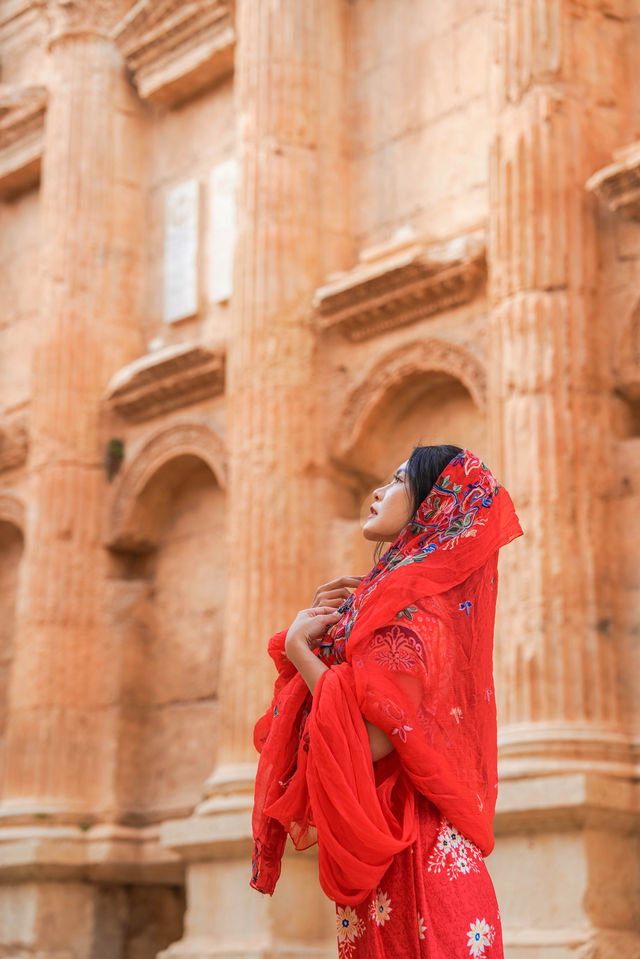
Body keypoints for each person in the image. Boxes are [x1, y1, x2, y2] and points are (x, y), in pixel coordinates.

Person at [251, 446, 523, 958]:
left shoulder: (413, 604)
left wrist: (301, 652)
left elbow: (377, 740)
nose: (379, 491)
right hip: (404, 859)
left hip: (416, 861)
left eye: (398, 481)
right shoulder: (399, 598)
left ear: (431, 504)